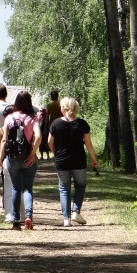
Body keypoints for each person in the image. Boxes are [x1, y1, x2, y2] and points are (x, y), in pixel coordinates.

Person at [47, 97, 98, 227]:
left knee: (64, 189)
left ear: (64, 108)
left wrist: (56, 153)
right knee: (80, 186)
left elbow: (49, 142)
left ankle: (66, 219)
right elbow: (88, 143)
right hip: (79, 161)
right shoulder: (82, 124)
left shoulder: (56, 124)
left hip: (62, 161)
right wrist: (93, 158)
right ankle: (76, 211)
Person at [0, 91, 42, 231]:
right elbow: (39, 137)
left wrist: (0, 159)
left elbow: (4, 140)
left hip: (13, 158)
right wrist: (32, 154)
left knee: (16, 188)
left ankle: (16, 222)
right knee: (28, 188)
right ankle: (28, 216)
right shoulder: (32, 119)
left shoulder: (9, 118)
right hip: (27, 157)